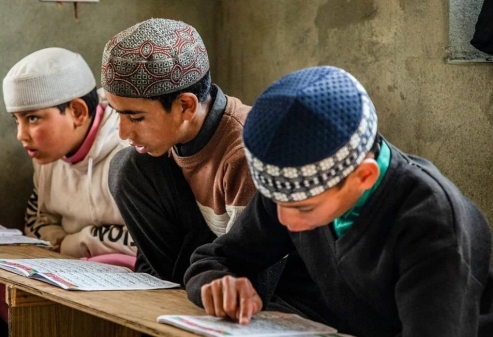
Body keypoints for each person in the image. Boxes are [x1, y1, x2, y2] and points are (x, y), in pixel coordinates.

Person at [184, 66, 493, 336]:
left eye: (305, 208)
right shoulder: (293, 192)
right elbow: (214, 259)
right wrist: (219, 283)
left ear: (365, 177)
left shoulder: (433, 222)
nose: (286, 221)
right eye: (277, 202)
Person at [0, 47, 136, 323]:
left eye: (33, 118)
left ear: (77, 111)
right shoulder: (45, 155)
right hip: (65, 266)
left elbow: (144, 242)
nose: (21, 135)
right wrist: (63, 245)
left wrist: (73, 243)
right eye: (16, 120)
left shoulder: (129, 151)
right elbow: (37, 221)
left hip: (125, 276)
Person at [103, 18, 257, 285]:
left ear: (186, 106)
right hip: (197, 273)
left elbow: (253, 269)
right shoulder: (168, 142)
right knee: (128, 166)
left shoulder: (244, 154)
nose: (123, 133)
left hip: (255, 286)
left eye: (136, 118)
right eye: (118, 114)